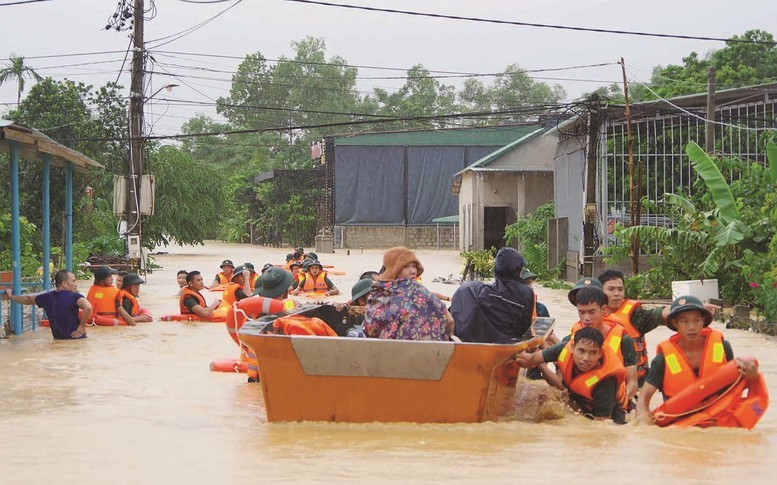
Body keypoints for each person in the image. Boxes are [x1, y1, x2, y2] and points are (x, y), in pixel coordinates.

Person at [636, 295, 760, 423]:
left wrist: (752, 376)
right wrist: (643, 418)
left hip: (719, 420)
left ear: (703, 321)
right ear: (675, 323)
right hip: (681, 426)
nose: (692, 327)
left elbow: (735, 385)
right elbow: (643, 399)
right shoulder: (663, 360)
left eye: (697, 320)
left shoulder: (723, 347)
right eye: (685, 321)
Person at [516, 326, 628, 423]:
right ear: (573, 347)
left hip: (611, 415)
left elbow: (602, 425)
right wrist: (520, 352)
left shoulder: (605, 382)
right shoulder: (563, 348)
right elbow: (530, 359)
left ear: (600, 353)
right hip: (579, 400)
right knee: (545, 399)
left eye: (593, 353)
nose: (586, 359)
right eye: (581, 351)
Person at [566, 280, 639, 400]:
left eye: (591, 312)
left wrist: (617, 402)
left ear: (603, 309)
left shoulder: (623, 339)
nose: (586, 318)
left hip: (611, 400)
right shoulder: (573, 335)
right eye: (582, 312)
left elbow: (633, 384)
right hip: (579, 396)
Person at [363, 247, 453, 341]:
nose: (412, 271)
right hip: (424, 352)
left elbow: (369, 328)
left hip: (384, 352)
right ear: (394, 268)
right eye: (405, 267)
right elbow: (449, 320)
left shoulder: (376, 292)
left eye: (414, 266)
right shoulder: (417, 290)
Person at [450, 247, 534, 343]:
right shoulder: (527, 292)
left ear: (496, 271)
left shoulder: (478, 293)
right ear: (518, 270)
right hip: (510, 343)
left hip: (479, 343)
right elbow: (523, 327)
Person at [598, 269, 667, 386]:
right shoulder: (592, 314)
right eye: (611, 289)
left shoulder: (635, 315)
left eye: (620, 289)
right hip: (606, 382)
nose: (617, 294)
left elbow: (657, 314)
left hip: (637, 382)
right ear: (600, 292)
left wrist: (687, 309)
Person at [3, 270, 91, 339]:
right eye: (74, 281)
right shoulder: (75, 297)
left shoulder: (47, 298)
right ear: (64, 283)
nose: (76, 284)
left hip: (59, 340)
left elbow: (28, 299)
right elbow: (88, 307)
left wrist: (11, 296)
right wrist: (82, 326)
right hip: (78, 339)